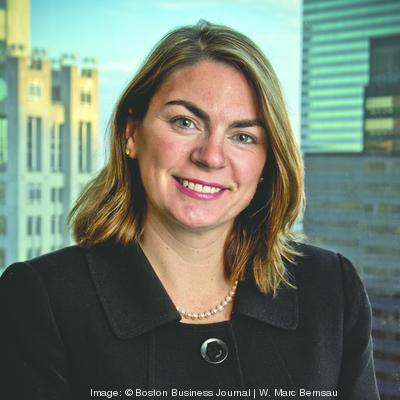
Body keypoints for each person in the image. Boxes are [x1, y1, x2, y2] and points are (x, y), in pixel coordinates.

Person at [0, 21, 380, 400]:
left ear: (268, 161)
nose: (211, 156)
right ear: (132, 132)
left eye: (243, 136)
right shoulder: (42, 300)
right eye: (185, 122)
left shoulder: (330, 291)